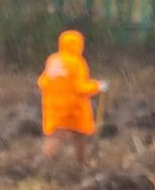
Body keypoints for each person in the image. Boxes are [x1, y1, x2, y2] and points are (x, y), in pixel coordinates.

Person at [38, 29, 105, 166]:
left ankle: (45, 162)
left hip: (53, 106)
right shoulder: (77, 62)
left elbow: (43, 81)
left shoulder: (54, 59)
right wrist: (98, 86)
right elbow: (80, 88)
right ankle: (80, 163)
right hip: (73, 108)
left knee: (57, 134)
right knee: (77, 135)